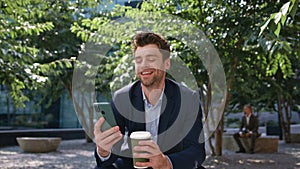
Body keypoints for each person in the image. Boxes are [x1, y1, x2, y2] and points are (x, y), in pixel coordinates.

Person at [93, 32, 206, 169]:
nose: (144, 65)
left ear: (167, 63)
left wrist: (166, 163)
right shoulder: (121, 98)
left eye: (151, 59)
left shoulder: (188, 99)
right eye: (138, 60)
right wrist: (103, 151)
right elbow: (114, 150)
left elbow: (196, 151)